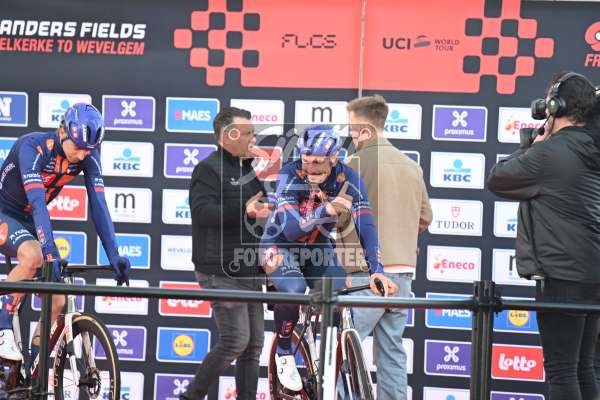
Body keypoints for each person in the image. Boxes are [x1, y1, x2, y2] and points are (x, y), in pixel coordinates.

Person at [488, 71, 600, 400]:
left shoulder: (552, 152)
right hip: (592, 272)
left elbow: (498, 179)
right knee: (584, 367)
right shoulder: (592, 146)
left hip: (562, 273)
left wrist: (534, 145)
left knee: (562, 370)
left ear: (555, 106)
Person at [260, 124, 398, 392]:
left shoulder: (349, 178)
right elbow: (292, 229)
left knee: (337, 295)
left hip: (318, 249)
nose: (310, 167)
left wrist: (376, 270)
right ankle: (284, 352)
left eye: (318, 161)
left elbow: (366, 226)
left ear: (335, 158)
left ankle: (327, 362)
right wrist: (326, 209)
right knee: (295, 290)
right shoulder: (289, 174)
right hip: (280, 246)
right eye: (306, 159)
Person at [0, 103, 131, 364]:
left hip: (27, 221)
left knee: (57, 300)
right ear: (63, 132)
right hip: (5, 214)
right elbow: (37, 201)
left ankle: (31, 370)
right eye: (78, 147)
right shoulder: (33, 147)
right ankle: (2, 328)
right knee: (34, 256)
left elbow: (99, 205)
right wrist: (49, 249)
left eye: (88, 149)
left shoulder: (88, 155)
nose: (82, 155)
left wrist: (114, 254)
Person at [334, 95, 432, 400]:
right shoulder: (411, 166)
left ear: (365, 129)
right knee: (392, 352)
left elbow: (336, 215)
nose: (350, 135)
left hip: (366, 275)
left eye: (352, 128)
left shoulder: (353, 164)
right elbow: (425, 217)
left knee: (345, 350)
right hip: (402, 274)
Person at [182, 107, 271, 400]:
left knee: (253, 345)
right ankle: (190, 397)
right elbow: (202, 213)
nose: (252, 138)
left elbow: (258, 214)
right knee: (236, 340)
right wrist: (244, 210)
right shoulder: (207, 169)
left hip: (248, 269)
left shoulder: (247, 169)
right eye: (247, 133)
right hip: (219, 269)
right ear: (227, 135)